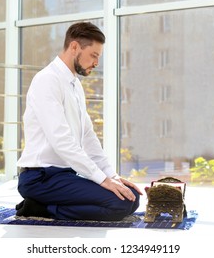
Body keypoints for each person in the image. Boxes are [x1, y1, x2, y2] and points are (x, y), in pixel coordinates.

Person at [16, 22, 142, 221]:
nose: (96, 63)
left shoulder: (75, 85)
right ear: (74, 47)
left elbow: (88, 137)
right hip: (40, 178)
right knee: (120, 204)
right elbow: (62, 142)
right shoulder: (47, 80)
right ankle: (41, 209)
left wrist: (112, 176)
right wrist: (102, 180)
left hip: (65, 175)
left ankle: (47, 206)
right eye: (93, 55)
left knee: (131, 197)